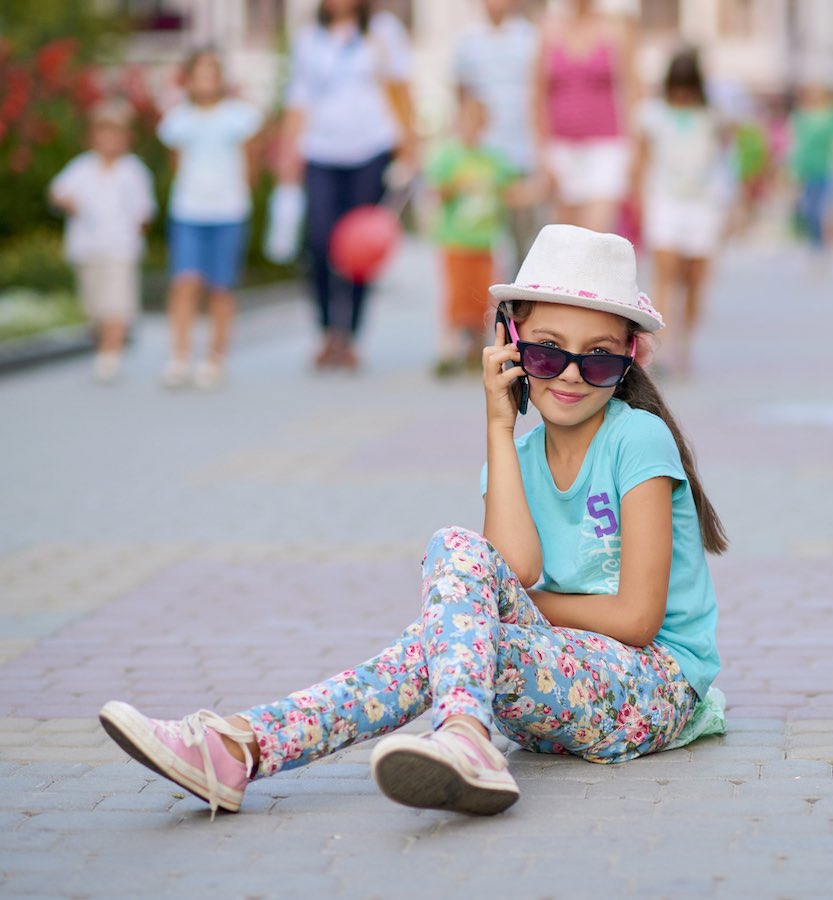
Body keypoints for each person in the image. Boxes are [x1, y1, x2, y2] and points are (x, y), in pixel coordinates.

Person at [98, 224, 727, 819]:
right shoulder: (516, 458)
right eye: (545, 352)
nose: (567, 373)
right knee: (454, 566)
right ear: (511, 345)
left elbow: (637, 621)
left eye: (596, 359)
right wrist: (498, 423)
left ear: (628, 362)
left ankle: (246, 748)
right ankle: (253, 748)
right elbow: (516, 568)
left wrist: (494, 613)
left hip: (651, 690)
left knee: (452, 630)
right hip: (555, 682)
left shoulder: (637, 439)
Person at [277, 0, 416, 371]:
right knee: (320, 240)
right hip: (321, 150)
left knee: (360, 249)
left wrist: (410, 146)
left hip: (370, 149)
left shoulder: (383, 31)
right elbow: (299, 98)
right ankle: (327, 331)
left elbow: (400, 89)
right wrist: (288, 151)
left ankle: (350, 335)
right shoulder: (309, 37)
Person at [157, 49, 263, 389]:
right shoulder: (178, 119)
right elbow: (176, 161)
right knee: (185, 282)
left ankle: (216, 356)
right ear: (187, 78)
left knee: (221, 286)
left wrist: (240, 193)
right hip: (189, 211)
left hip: (228, 212)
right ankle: (180, 355)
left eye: (211, 72)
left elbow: (251, 163)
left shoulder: (239, 117)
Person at [630, 48, 730, 376]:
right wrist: (638, 203)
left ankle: (683, 344)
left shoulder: (713, 115)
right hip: (666, 202)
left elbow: (725, 160)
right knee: (666, 275)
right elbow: (641, 161)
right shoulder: (653, 114)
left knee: (695, 280)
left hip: (703, 205)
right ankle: (659, 348)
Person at [48, 100, 156, 382]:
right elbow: (57, 192)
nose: (109, 140)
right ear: (92, 137)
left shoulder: (133, 171)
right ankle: (103, 339)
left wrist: (135, 233)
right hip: (87, 248)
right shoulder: (81, 168)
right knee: (95, 306)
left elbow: (144, 211)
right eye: (103, 133)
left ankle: (110, 356)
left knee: (116, 304)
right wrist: (68, 203)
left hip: (120, 248)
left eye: (116, 134)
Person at [426, 93, 518, 376]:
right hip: (456, 240)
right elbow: (436, 191)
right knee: (455, 296)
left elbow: (510, 192)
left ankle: (475, 349)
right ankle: (449, 348)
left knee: (481, 296)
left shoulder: (494, 159)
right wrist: (454, 185)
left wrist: (540, 188)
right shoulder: (449, 157)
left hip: (484, 241)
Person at [533, 0, 640, 232]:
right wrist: (543, 155)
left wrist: (635, 151)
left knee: (594, 235)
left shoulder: (617, 29)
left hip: (606, 148)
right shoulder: (549, 31)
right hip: (561, 148)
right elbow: (537, 98)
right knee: (565, 239)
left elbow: (633, 92)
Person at [453, 0, 543, 272]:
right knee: (486, 237)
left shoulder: (531, 39)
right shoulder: (467, 43)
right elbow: (461, 97)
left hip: (523, 152)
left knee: (525, 238)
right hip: (484, 157)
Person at [787, 81, 833, 255]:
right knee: (809, 209)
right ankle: (815, 244)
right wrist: (792, 168)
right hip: (807, 169)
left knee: (825, 209)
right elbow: (795, 143)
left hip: (829, 167)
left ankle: (825, 245)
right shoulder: (801, 115)